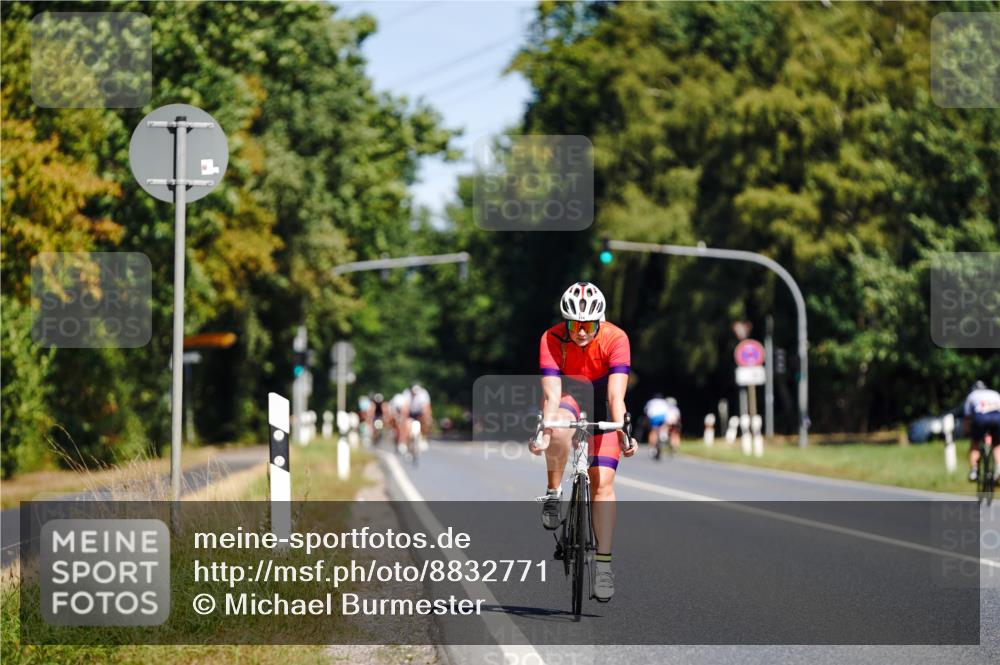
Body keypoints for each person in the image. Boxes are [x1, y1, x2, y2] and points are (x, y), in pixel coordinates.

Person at [529, 281, 637, 602]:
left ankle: (603, 567)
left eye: (587, 325)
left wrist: (623, 432)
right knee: (559, 426)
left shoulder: (616, 338)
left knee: (603, 482)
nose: (579, 332)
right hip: (569, 395)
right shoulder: (551, 338)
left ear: (599, 321)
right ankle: (553, 492)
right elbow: (551, 395)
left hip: (602, 400)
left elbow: (616, 396)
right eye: (573, 325)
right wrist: (545, 432)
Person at [964, 380, 1000, 482]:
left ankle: (974, 471)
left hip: (981, 418)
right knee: (997, 445)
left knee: (975, 443)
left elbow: (967, 417)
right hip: (998, 418)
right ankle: (998, 469)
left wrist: (967, 431)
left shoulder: (972, 395)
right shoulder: (994, 393)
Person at [407, 383, 432, 452]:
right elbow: (405, 408)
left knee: (425, 422)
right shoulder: (407, 394)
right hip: (410, 413)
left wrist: (427, 417)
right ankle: (405, 443)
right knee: (407, 425)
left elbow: (426, 407)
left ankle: (423, 438)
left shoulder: (423, 394)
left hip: (419, 413)